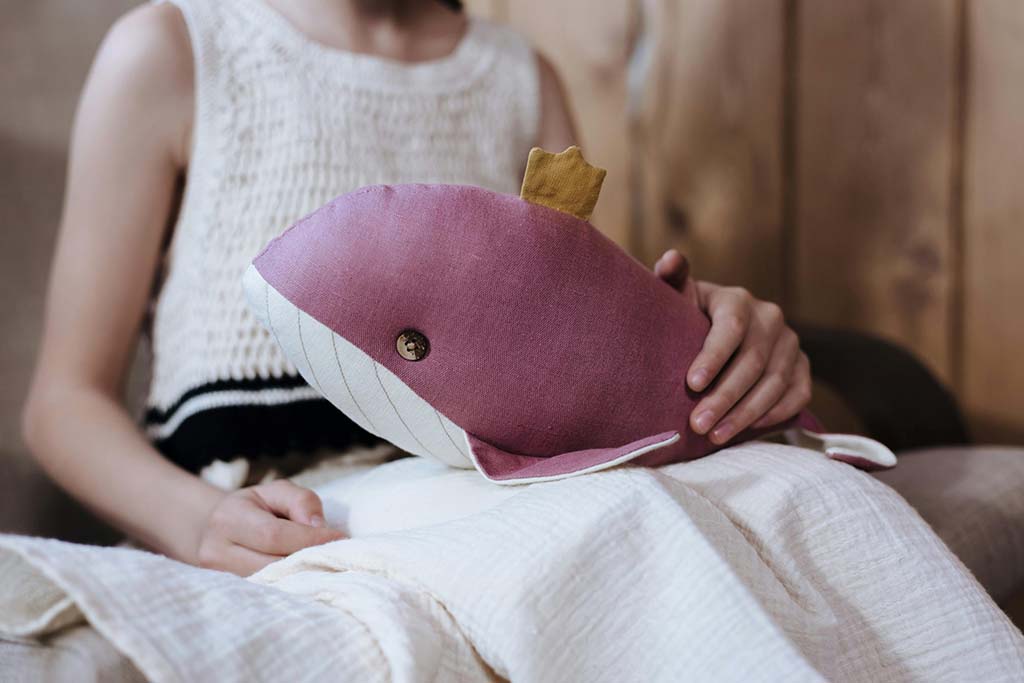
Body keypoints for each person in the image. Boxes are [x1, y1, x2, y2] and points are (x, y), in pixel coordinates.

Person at [21, 0, 811, 577]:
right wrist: (196, 522)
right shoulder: (173, 50)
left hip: (484, 507)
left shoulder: (517, 79)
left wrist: (706, 329)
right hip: (263, 530)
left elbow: (584, 347)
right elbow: (64, 402)